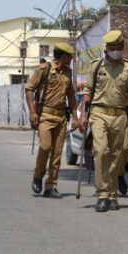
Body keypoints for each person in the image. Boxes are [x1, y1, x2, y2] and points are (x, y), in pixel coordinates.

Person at [79, 30, 128, 213]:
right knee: (100, 151)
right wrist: (83, 115)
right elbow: (87, 92)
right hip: (98, 113)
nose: (115, 51)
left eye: (118, 48)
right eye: (111, 48)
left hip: (120, 115)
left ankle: (113, 195)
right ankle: (102, 195)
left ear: (122, 47)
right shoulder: (96, 66)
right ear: (106, 49)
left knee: (117, 154)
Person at [26, 42, 78, 199]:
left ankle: (51, 186)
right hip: (45, 116)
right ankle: (38, 175)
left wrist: (75, 117)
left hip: (61, 116)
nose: (72, 59)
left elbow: (71, 95)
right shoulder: (44, 69)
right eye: (70, 56)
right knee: (45, 147)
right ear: (63, 56)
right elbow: (29, 89)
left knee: (56, 154)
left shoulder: (68, 73)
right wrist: (33, 112)